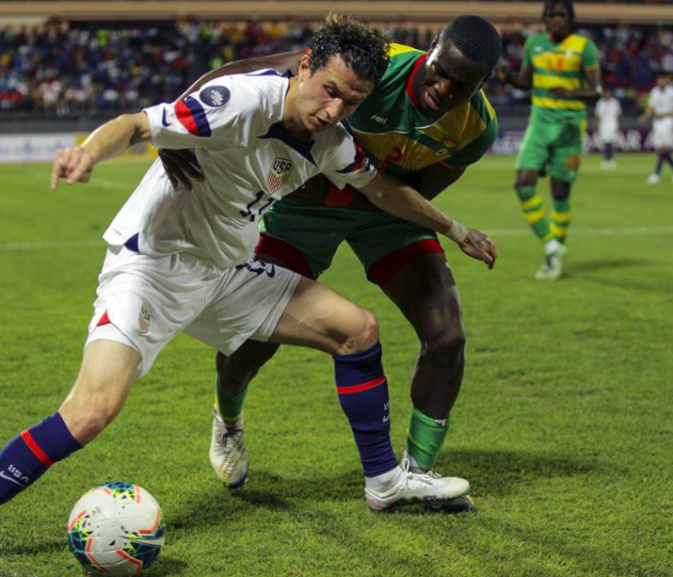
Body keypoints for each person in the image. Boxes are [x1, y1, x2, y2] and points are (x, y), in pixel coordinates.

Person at [0, 17, 497, 576]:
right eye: (329, 91)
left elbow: (385, 191)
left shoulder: (330, 141)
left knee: (357, 330)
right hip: (153, 269)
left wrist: (455, 230)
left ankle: (385, 482)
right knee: (90, 412)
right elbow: (135, 125)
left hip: (227, 272)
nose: (334, 111)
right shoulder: (240, 101)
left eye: (352, 102)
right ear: (304, 67)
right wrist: (88, 151)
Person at [161, 15, 501, 511]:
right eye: (440, 71)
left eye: (461, 85)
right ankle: (227, 420)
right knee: (254, 339)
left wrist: (445, 225)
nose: (442, 89)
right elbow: (244, 73)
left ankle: (417, 472)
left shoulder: (477, 129)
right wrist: (177, 120)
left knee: (447, 335)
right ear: (431, 48)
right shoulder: (378, 67)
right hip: (307, 206)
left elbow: (417, 193)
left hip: (388, 211)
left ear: (484, 84)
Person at [497, 0, 601, 280]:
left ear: (570, 18)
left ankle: (553, 258)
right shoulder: (534, 43)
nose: (556, 19)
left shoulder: (584, 47)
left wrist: (571, 93)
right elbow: (527, 81)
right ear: (544, 19)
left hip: (570, 128)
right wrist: (509, 79)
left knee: (560, 193)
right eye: (551, 14)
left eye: (562, 14)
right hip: (540, 124)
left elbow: (596, 91)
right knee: (523, 183)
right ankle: (551, 245)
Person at [639, 74, 673, 184]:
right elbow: (651, 107)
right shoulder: (654, 92)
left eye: (662, 80)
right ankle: (657, 174)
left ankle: (656, 174)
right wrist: (645, 116)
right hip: (657, 122)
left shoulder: (671, 91)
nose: (660, 82)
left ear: (666, 80)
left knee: (665, 147)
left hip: (668, 121)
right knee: (660, 149)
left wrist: (663, 114)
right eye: (659, 80)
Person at [594, 88, 621, 169]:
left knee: (611, 142)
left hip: (612, 123)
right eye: (606, 93)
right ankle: (606, 158)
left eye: (608, 93)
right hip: (603, 124)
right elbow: (598, 115)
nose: (607, 94)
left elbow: (618, 115)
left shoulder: (615, 102)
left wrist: (618, 125)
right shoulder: (600, 103)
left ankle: (610, 159)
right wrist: (596, 125)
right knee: (605, 142)